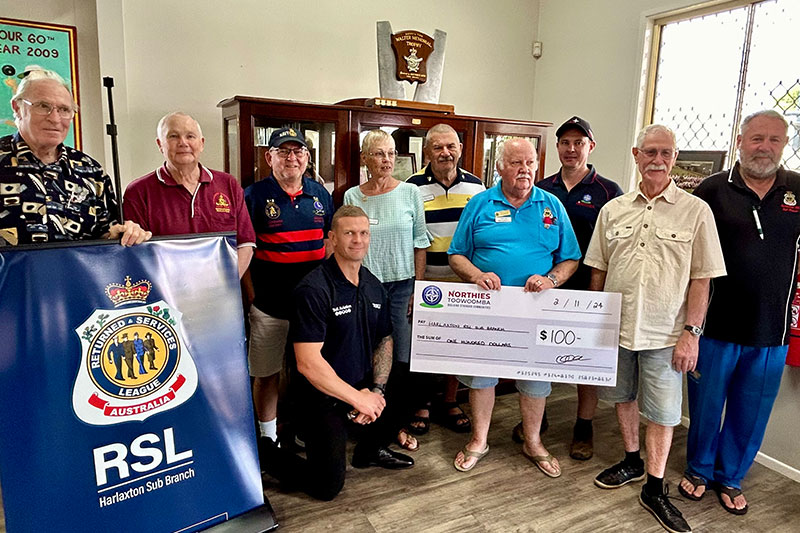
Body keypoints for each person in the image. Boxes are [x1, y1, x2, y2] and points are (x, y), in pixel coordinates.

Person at [584, 124, 726, 533]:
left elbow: (703, 279)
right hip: (618, 329)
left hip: (667, 335)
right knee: (622, 397)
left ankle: (655, 487)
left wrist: (691, 333)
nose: (658, 160)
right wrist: (599, 321)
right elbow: (599, 269)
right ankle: (631, 460)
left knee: (663, 414)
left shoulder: (695, 211)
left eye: (666, 153)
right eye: (650, 152)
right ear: (636, 154)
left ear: (675, 158)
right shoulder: (613, 210)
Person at [678, 110, 800, 515]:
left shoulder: (798, 190)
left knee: (750, 414)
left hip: (772, 332)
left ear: (784, 144)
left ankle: (731, 477)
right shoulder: (712, 190)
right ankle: (698, 470)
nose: (764, 147)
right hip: (714, 328)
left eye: (774, 140)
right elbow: (689, 258)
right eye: (756, 139)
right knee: (706, 407)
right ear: (740, 141)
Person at [259, 205, 413, 501]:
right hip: (321, 396)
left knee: (414, 380)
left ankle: (368, 450)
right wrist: (358, 399)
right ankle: (264, 453)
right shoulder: (313, 289)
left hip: (362, 385)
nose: (358, 240)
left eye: (364, 233)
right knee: (326, 487)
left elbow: (385, 339)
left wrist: (376, 392)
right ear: (331, 238)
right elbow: (308, 364)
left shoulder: (373, 285)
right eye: (349, 233)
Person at [448, 137, 580, 477]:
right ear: (499, 167)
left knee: (535, 376)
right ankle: (479, 440)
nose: (525, 169)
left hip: (536, 309)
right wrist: (477, 275)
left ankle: (533, 441)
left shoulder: (551, 206)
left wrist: (551, 278)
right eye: (517, 163)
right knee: (481, 376)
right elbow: (456, 254)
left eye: (531, 163)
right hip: (487, 308)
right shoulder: (479, 204)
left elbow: (570, 258)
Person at [510, 116, 623, 460]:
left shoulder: (609, 192)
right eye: (564, 143)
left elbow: (611, 247)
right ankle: (537, 421)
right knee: (539, 357)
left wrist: (599, 292)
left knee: (584, 362)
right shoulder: (541, 187)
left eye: (578, 143)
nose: (571, 149)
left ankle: (583, 426)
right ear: (557, 147)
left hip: (588, 289)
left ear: (591, 146)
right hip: (543, 290)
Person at [243, 127, 334, 443]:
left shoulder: (320, 195)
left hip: (311, 309)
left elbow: (329, 243)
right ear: (269, 157)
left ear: (307, 158)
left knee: (307, 373)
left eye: (298, 152)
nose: (291, 158)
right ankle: (268, 438)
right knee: (265, 374)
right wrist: (252, 298)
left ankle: (300, 429)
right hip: (269, 306)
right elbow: (243, 251)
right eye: (284, 152)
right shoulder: (252, 196)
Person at [343, 129, 431, 452]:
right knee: (367, 354)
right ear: (365, 158)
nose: (387, 160)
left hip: (402, 287)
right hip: (365, 286)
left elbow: (420, 244)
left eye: (391, 153)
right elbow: (347, 244)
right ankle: (366, 417)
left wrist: (417, 290)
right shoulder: (353, 196)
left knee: (402, 357)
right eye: (379, 154)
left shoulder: (410, 193)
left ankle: (395, 422)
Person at [0, 67, 149, 247]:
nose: (55, 118)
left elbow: (105, 234)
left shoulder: (90, 171)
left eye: (64, 109)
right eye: (43, 106)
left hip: (75, 275)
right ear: (18, 107)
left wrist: (121, 235)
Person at [405, 123, 484, 435]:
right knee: (424, 345)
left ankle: (449, 400)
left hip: (464, 283)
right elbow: (411, 238)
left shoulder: (478, 188)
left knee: (457, 345)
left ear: (460, 150)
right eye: (437, 147)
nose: (445, 153)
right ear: (426, 152)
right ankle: (422, 402)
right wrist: (417, 284)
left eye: (451, 146)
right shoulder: (411, 187)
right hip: (427, 283)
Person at [123, 112, 255, 278]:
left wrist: (226, 284)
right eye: (173, 136)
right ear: (160, 144)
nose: (183, 143)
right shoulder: (137, 192)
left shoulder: (228, 184)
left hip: (222, 293)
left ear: (201, 143)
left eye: (190, 136)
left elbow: (245, 244)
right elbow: (134, 254)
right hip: (165, 296)